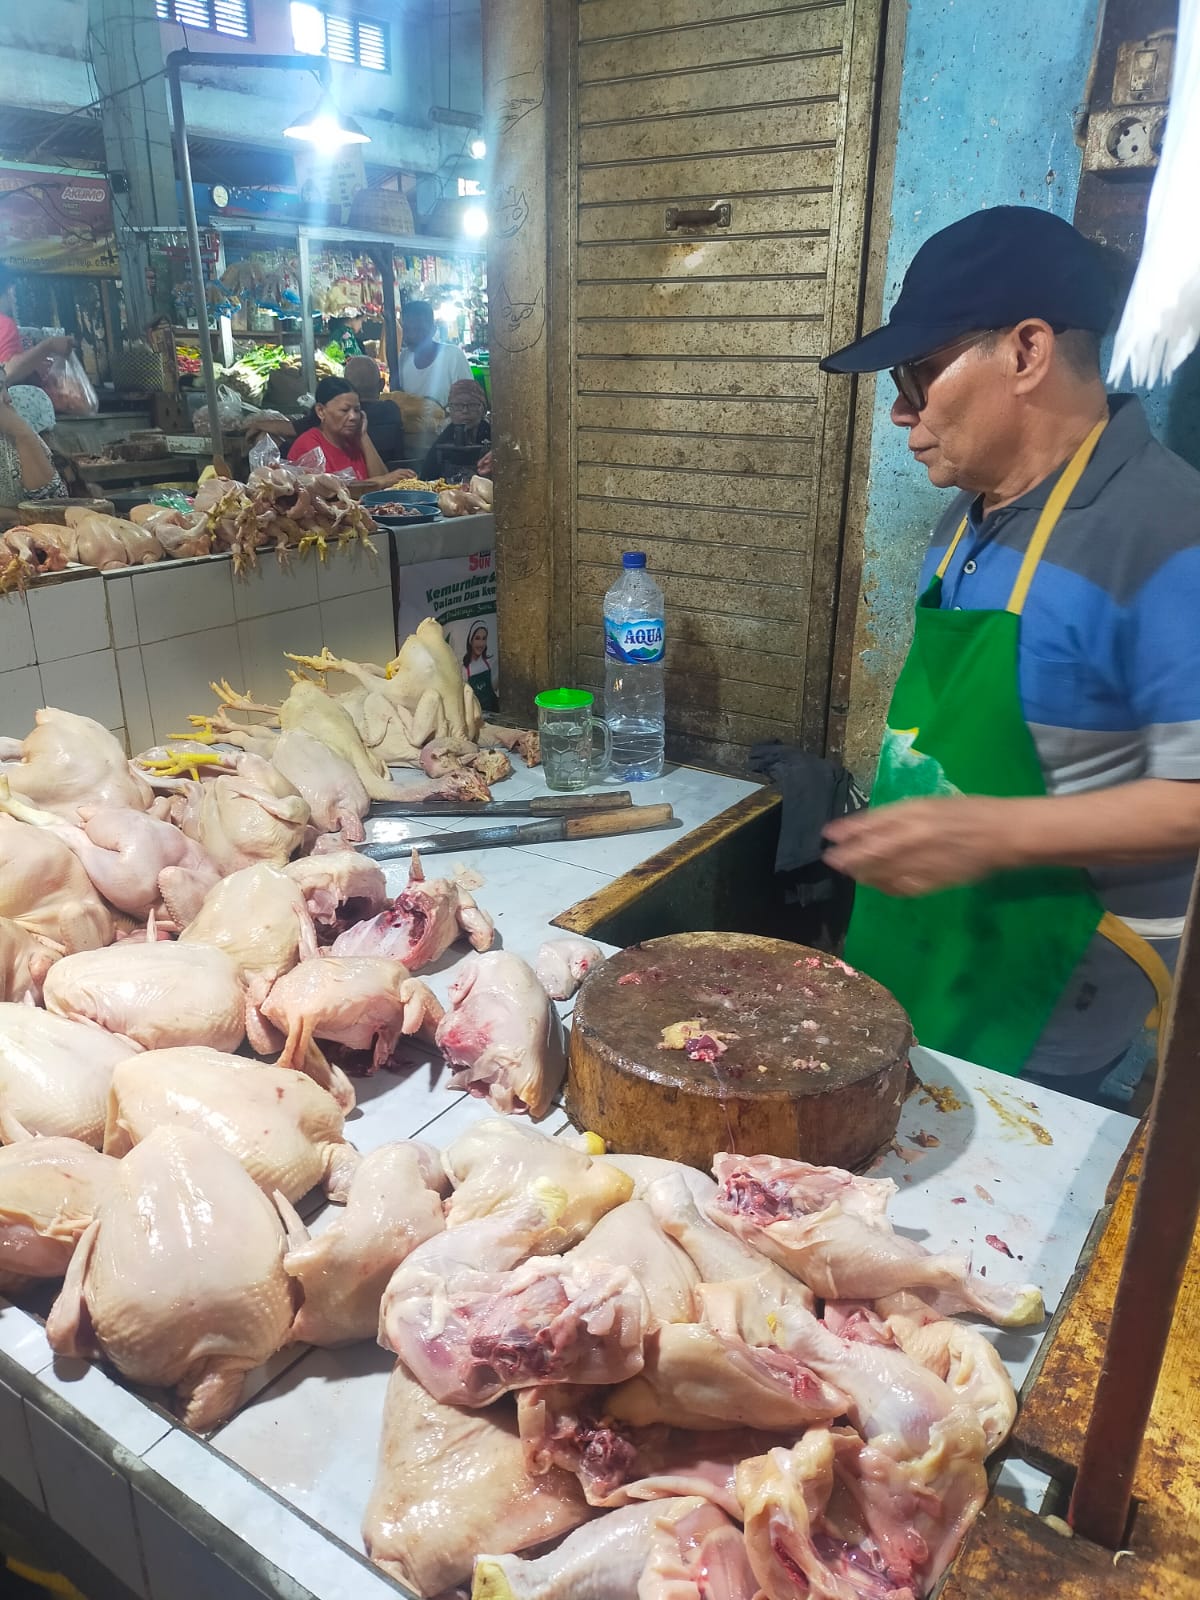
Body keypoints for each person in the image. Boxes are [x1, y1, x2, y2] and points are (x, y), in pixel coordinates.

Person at [819, 205, 1200, 1103]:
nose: (901, 412)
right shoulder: (969, 518)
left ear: (1026, 352)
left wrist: (989, 832)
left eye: (918, 373)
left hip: (1060, 1013)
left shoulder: (1168, 535)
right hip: (926, 958)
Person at [288, 376, 413, 487]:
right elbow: (331, 492)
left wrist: (364, 436)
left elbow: (384, 485)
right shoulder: (308, 445)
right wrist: (380, 481)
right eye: (344, 410)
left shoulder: (353, 441)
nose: (353, 417)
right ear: (321, 411)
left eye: (357, 410)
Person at [0, 267, 75, 385]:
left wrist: (33, 364)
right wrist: (49, 346)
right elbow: (7, 372)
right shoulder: (4, 324)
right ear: (9, 289)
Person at [0, 376, 66, 508]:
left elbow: (54, 505)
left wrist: (23, 435)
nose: (8, 398)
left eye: (5, 388)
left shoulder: (15, 433)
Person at [396, 301, 472, 410]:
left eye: (418, 329)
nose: (411, 335)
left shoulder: (453, 356)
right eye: (407, 329)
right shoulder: (403, 358)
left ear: (433, 329)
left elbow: (470, 401)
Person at [344, 355, 408, 470]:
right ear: (382, 384)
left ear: (345, 387)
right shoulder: (391, 410)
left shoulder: (340, 417)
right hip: (394, 479)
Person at [420, 378, 491, 481]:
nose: (465, 411)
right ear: (451, 411)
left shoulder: (493, 435)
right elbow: (426, 477)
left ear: (483, 409)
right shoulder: (443, 440)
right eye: (458, 405)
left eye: (472, 405)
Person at [461, 620, 497, 712]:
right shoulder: (465, 670)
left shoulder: (490, 662)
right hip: (477, 715)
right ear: (471, 640)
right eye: (477, 638)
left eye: (484, 638)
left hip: (493, 711)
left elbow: (494, 688)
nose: (481, 643)